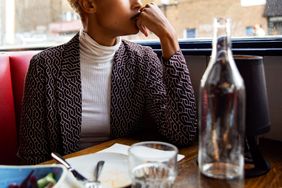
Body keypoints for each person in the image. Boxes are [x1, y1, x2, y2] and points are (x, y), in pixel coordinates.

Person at [17, 0, 197, 164]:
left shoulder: (144, 60)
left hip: (127, 177)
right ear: (89, 4)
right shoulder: (45, 66)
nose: (138, 4)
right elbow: (33, 156)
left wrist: (168, 37)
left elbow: (182, 132)